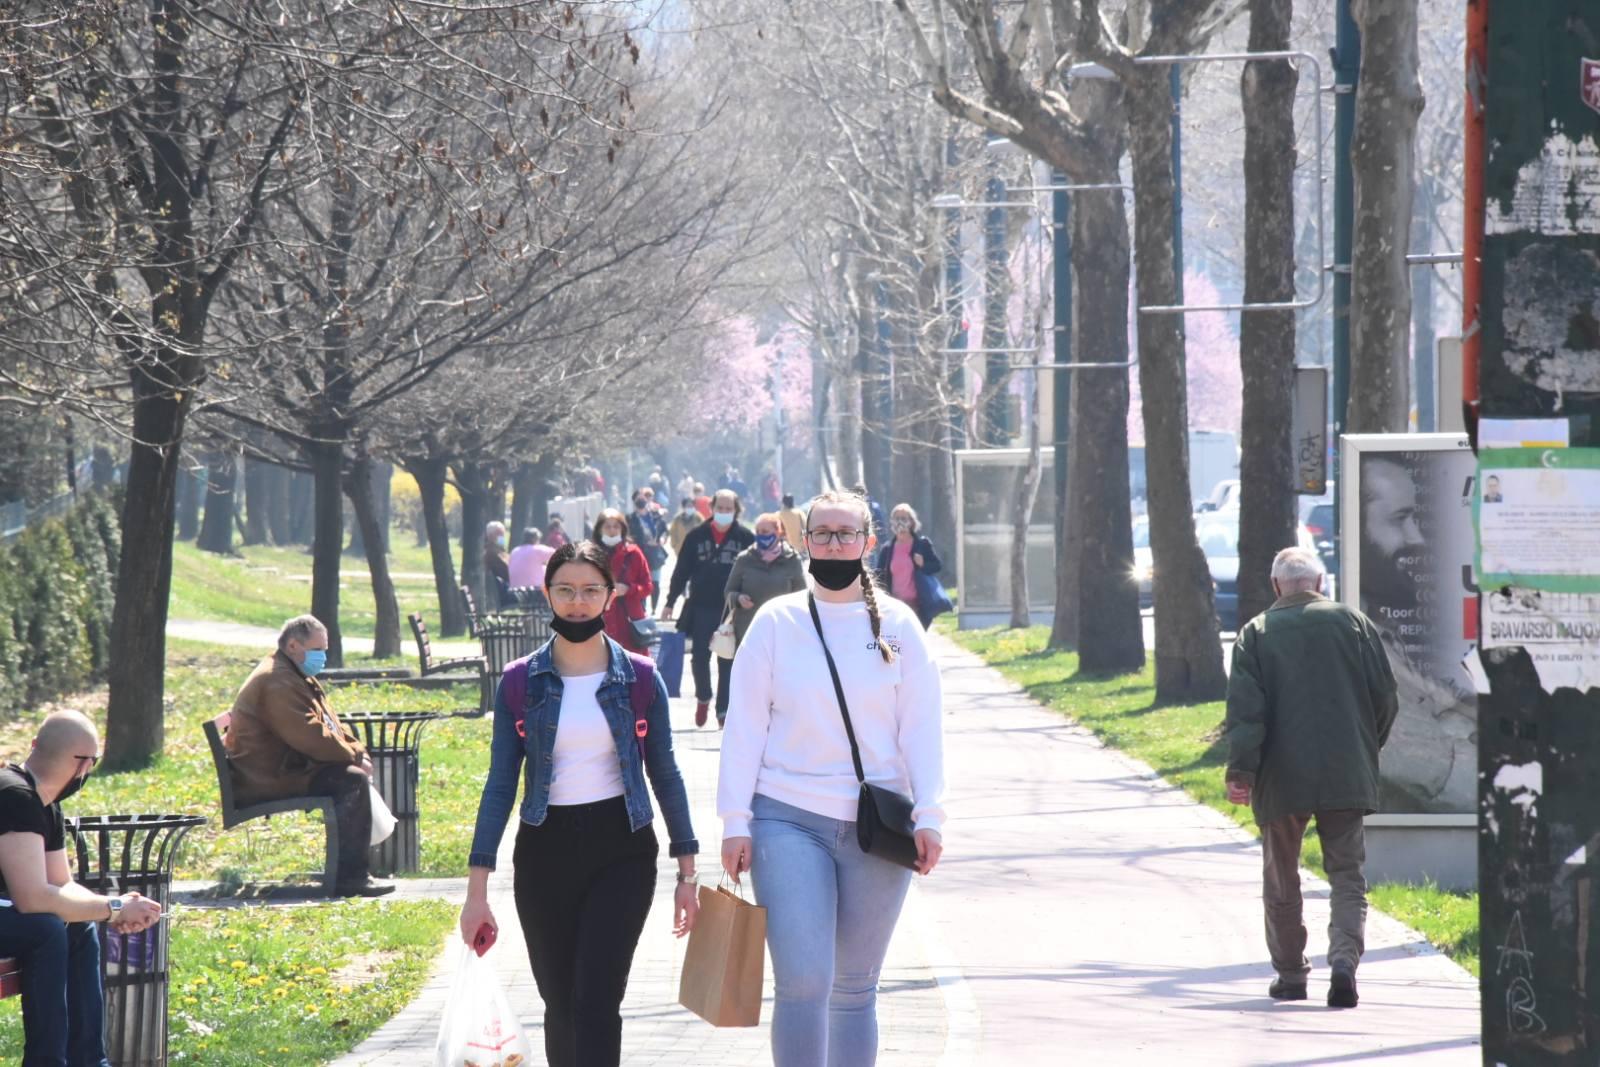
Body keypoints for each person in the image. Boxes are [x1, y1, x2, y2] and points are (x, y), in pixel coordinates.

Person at [717, 489, 945, 1065]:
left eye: (847, 534)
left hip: (878, 827)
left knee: (853, 990)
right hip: (786, 820)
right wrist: (734, 821)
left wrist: (931, 815)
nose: (834, 544)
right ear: (805, 541)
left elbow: (921, 727)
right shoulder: (775, 623)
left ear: (869, 543)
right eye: (822, 534)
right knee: (804, 983)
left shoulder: (897, 627)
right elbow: (743, 726)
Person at [463, 541, 699, 1067]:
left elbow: (665, 773)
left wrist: (688, 872)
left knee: (597, 999)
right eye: (565, 591)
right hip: (545, 851)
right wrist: (476, 891)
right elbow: (501, 784)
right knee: (559, 1003)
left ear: (610, 596)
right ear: (548, 594)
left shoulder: (640, 677)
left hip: (623, 850)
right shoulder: (521, 682)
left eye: (591, 590)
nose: (577, 603)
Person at [1222, 547, 1397, 1009]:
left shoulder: (1256, 633)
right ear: (1318, 581)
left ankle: (1291, 975)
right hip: (1346, 769)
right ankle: (1343, 962)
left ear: (1276, 585)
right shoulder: (1353, 623)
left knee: (1281, 876)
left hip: (1281, 777)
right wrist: (1365, 747)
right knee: (1347, 874)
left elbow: (1246, 713)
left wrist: (1242, 771)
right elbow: (1385, 697)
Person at [0, 710, 163, 1067]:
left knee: (77, 927)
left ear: (34, 746)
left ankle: (90, 1061)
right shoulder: (14, 795)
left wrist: (113, 905)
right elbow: (33, 899)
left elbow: (61, 886)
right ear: (85, 766)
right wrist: (115, 909)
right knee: (45, 929)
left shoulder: (45, 802)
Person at [224, 616, 393, 897]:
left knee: (349, 776)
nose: (322, 657)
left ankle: (350, 872)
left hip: (284, 768)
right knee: (350, 781)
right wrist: (352, 757)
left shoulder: (292, 674)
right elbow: (307, 734)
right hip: (268, 777)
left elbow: (329, 724)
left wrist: (355, 750)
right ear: (293, 645)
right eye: (318, 650)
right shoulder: (276, 680)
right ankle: (351, 878)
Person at [662, 489, 754, 728]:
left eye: (729, 509)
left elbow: (755, 571)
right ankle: (703, 697)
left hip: (732, 609)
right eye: (720, 508)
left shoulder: (745, 537)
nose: (724, 513)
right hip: (701, 606)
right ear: (712, 509)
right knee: (700, 657)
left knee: (727, 659)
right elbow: (681, 570)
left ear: (736, 511)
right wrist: (670, 601)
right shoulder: (696, 536)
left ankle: (723, 710)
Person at [717, 513, 807, 728]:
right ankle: (748, 720)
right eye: (758, 532)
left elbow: (803, 594)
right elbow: (729, 591)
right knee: (751, 679)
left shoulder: (791, 560)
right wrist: (738, 598)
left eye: (766, 532)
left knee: (779, 679)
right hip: (748, 630)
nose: (761, 536)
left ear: (779, 532)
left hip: (783, 632)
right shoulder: (745, 559)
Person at [872, 503, 948, 630]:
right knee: (897, 644)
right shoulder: (887, 549)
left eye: (904, 518)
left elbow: (936, 566)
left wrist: (923, 564)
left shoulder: (922, 544)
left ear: (912, 522)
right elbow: (878, 576)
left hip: (918, 606)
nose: (900, 522)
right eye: (896, 518)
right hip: (895, 606)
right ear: (892, 523)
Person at [594, 508, 654, 655]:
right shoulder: (591, 554)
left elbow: (648, 586)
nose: (612, 530)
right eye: (607, 526)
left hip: (630, 621)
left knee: (635, 668)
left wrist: (629, 589)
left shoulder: (633, 552)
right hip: (600, 620)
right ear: (599, 529)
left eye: (616, 526)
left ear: (623, 529)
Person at [629, 492, 670, 612]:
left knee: (655, 582)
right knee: (642, 581)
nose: (641, 508)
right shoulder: (631, 519)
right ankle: (643, 608)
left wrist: (661, 539)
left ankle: (654, 607)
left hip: (655, 554)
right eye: (639, 505)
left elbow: (664, 531)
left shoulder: (655, 517)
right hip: (639, 554)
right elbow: (628, 535)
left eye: (643, 504)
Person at [508, 527, 555, 593]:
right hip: (533, 591)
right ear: (534, 539)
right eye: (538, 539)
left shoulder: (514, 551)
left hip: (515, 591)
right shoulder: (537, 549)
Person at [484, 520, 512, 607]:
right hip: (506, 593)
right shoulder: (492, 553)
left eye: (503, 534)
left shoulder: (500, 551)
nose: (502, 537)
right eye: (500, 534)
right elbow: (507, 572)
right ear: (491, 536)